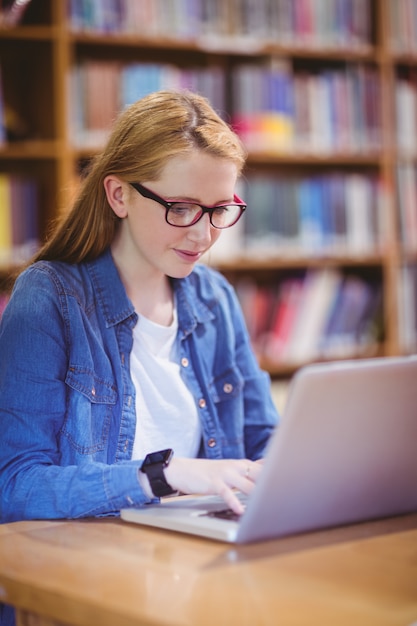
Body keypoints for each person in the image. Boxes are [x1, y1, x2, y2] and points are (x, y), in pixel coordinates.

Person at [0, 89, 279, 526]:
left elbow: (265, 439)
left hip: (196, 561)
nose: (203, 236)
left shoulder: (214, 298)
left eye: (219, 210)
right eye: (182, 208)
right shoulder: (49, 298)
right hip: (94, 566)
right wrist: (162, 475)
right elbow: (15, 486)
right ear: (119, 196)